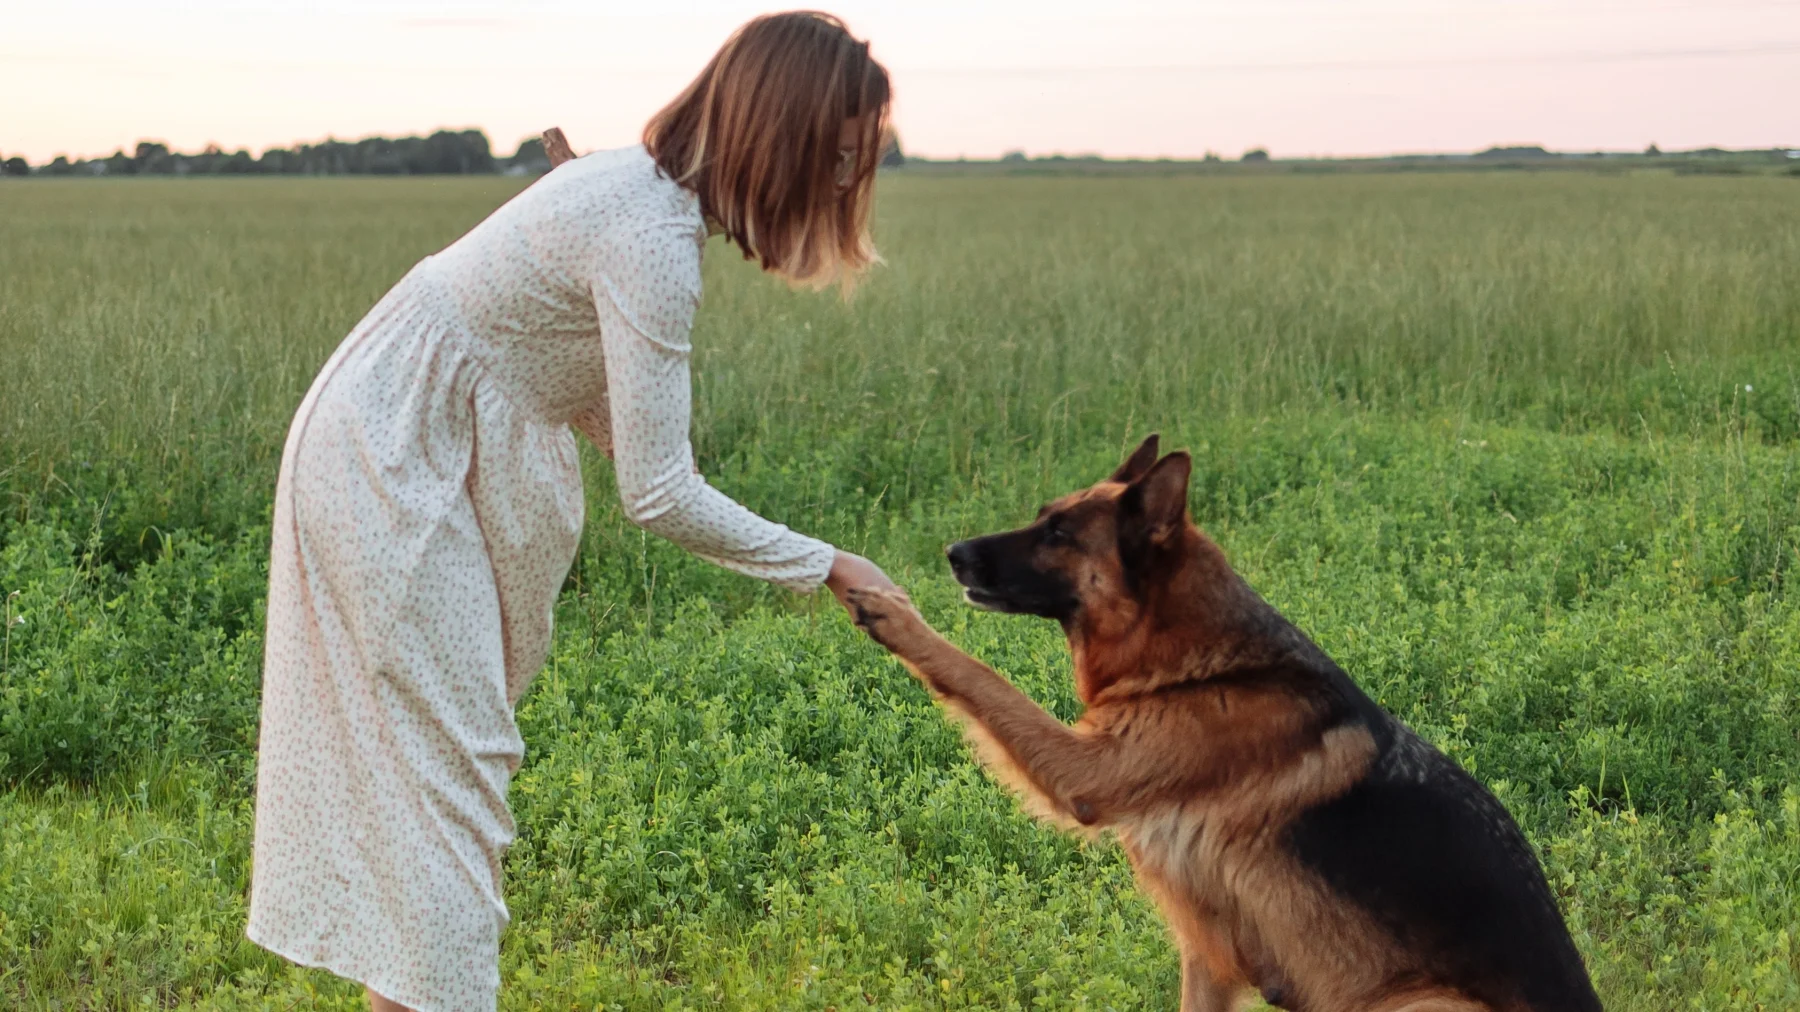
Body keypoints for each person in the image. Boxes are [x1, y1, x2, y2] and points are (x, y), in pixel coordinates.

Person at [246, 12, 896, 1011]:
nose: (848, 183)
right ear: (785, 135)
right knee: (454, 787)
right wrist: (826, 563)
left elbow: (565, 380)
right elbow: (659, 491)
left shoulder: (636, 198)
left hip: (411, 437)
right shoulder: (649, 234)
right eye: (842, 156)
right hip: (390, 455)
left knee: (448, 784)